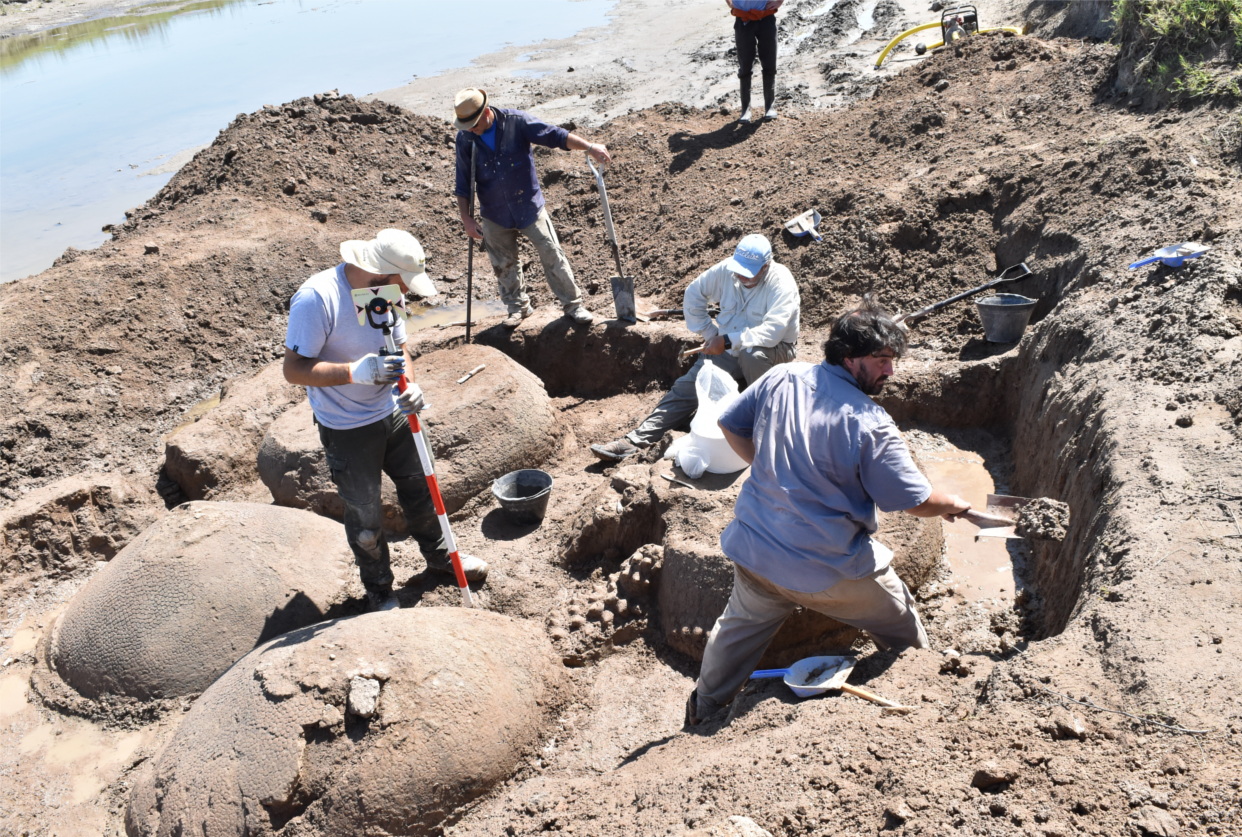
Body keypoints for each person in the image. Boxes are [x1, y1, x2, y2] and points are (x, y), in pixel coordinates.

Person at [684, 301, 972, 726]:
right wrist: (952, 504)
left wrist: (765, 464)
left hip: (757, 547)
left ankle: (704, 708)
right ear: (849, 358)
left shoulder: (782, 376)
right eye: (882, 361)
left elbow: (729, 423)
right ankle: (924, 697)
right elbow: (914, 501)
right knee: (901, 623)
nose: (890, 372)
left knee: (736, 631)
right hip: (829, 568)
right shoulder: (870, 422)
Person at [282, 229, 489, 612]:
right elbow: (293, 370)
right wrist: (352, 372)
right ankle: (379, 588)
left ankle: (441, 556)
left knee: (422, 490)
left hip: (394, 414)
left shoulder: (383, 295)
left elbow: (400, 348)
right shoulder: (317, 298)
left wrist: (408, 386)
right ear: (381, 272)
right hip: (346, 426)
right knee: (364, 513)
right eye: (404, 284)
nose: (407, 294)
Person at [591, 233, 799, 462]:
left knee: (752, 355)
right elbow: (693, 293)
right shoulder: (727, 271)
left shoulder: (782, 283)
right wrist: (711, 334)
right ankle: (635, 440)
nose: (740, 276)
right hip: (728, 348)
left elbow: (773, 332)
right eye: (739, 270)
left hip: (772, 350)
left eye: (748, 272)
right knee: (688, 385)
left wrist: (727, 340)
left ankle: (768, 428)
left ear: (766, 266)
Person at [453, 88, 610, 329]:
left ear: (485, 112)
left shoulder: (516, 123)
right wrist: (466, 218)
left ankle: (573, 305)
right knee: (503, 264)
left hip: (528, 206)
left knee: (552, 254)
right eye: (466, 126)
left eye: (473, 124)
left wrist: (589, 147)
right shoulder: (466, 139)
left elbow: (555, 136)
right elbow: (463, 183)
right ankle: (518, 308)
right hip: (494, 212)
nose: (470, 129)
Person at [726, 0, 783, 122]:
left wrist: (779, 2)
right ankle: (745, 109)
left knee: (769, 63)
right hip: (743, 19)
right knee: (745, 65)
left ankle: (769, 106)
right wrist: (729, 3)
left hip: (766, 17)